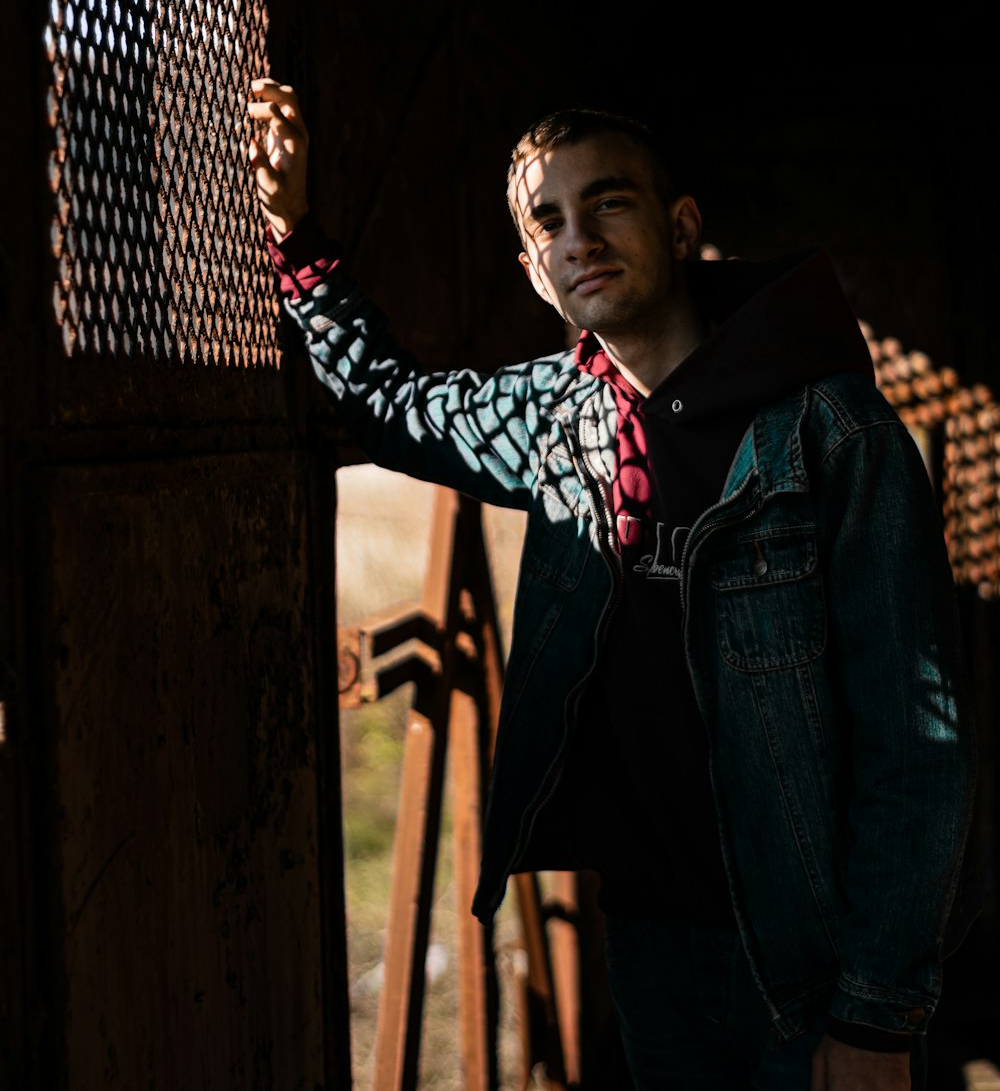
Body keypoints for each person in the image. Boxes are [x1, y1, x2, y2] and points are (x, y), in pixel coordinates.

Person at [247, 78, 977, 1091]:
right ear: (533, 273)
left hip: (810, 957)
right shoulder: (557, 416)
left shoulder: (833, 431)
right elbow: (389, 404)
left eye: (609, 202)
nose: (578, 236)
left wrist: (877, 1016)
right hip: (650, 938)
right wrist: (291, 232)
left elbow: (917, 746)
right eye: (549, 220)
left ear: (680, 225)